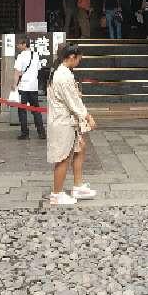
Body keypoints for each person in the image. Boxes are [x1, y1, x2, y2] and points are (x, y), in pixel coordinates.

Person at [47, 43, 96, 205]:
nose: (79, 62)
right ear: (71, 57)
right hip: (63, 121)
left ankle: (78, 185)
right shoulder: (63, 75)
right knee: (63, 157)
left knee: (80, 148)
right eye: (78, 59)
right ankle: (57, 193)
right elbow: (73, 102)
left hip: (68, 120)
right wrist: (87, 116)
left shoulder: (63, 72)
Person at [13, 36, 46, 140]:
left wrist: (14, 84)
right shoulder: (35, 55)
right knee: (36, 110)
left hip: (23, 86)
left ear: (24, 44)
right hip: (33, 87)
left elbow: (17, 72)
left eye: (19, 44)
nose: (17, 46)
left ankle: (25, 133)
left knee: (22, 110)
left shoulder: (21, 56)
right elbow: (38, 69)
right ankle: (41, 132)